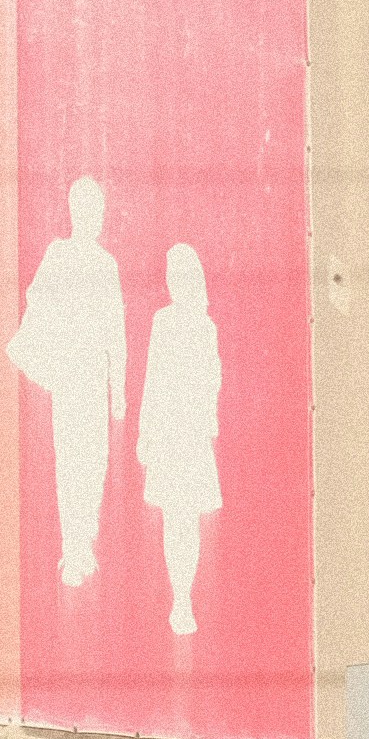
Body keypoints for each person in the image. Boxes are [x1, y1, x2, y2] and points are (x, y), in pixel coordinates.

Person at [8, 174, 129, 591]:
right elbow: (36, 296)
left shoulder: (107, 264)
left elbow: (116, 332)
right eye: (87, 209)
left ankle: (85, 540)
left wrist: (119, 389)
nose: (93, 216)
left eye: (97, 210)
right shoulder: (58, 254)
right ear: (76, 212)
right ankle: (72, 548)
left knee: (94, 461)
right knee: (70, 460)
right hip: (69, 373)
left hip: (94, 376)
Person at [139, 237, 227, 637]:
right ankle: (178, 596)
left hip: (191, 434)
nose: (174, 283)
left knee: (186, 519)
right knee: (174, 518)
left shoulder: (206, 327)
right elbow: (152, 380)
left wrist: (206, 423)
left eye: (180, 276)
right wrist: (145, 434)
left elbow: (212, 380)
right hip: (167, 432)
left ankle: (184, 598)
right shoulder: (161, 322)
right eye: (170, 276)